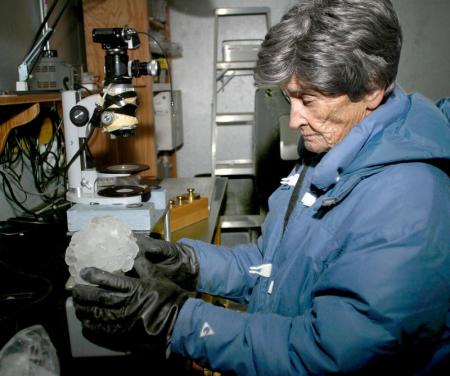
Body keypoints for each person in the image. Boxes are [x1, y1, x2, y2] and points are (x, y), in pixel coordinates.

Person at [72, 0, 450, 374]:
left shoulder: (408, 202)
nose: (294, 119)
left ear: (370, 89)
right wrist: (190, 264)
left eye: (309, 99)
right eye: (290, 97)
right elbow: (270, 265)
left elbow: (324, 355)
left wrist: (175, 321)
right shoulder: (331, 145)